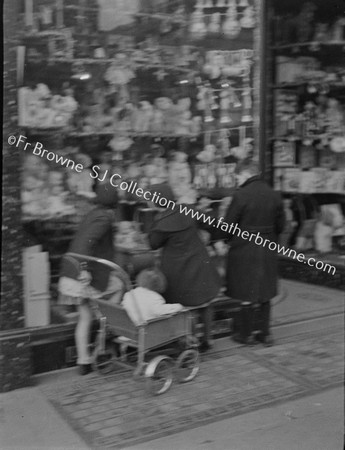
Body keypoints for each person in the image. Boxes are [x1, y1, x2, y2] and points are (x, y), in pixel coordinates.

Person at [148, 183, 221, 352]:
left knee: (186, 307)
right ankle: (208, 340)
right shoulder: (188, 209)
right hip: (199, 261)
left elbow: (153, 244)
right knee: (206, 302)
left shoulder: (162, 222)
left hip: (177, 268)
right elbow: (211, 223)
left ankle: (191, 343)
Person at [219, 159, 285, 346]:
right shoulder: (274, 194)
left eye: (238, 176)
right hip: (268, 246)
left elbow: (228, 225)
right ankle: (265, 334)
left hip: (244, 247)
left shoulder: (241, 195)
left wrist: (225, 240)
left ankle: (246, 334)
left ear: (246, 174)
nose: (237, 180)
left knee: (245, 289)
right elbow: (281, 225)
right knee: (265, 289)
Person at [58, 182, 121, 375]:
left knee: (84, 317)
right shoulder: (104, 218)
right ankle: (106, 328)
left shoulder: (92, 214)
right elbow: (87, 243)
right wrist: (84, 269)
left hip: (69, 274)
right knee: (119, 285)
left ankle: (83, 361)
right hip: (82, 275)